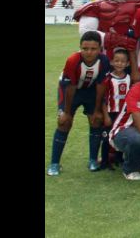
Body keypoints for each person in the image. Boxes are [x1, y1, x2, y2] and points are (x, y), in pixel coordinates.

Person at [47, 31, 111, 176]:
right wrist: (67, 113)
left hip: (91, 91)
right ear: (80, 47)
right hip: (70, 91)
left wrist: (96, 110)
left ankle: (93, 160)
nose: (89, 52)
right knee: (64, 122)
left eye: (93, 49)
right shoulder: (73, 60)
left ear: (100, 49)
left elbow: (101, 86)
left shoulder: (104, 61)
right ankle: (54, 163)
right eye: (85, 48)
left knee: (97, 120)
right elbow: (71, 87)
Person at [99, 48, 132, 170]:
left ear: (128, 63)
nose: (119, 64)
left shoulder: (129, 78)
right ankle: (104, 162)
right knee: (107, 138)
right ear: (112, 62)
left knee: (120, 136)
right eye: (117, 61)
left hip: (123, 114)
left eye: (123, 61)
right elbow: (103, 98)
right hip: (111, 113)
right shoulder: (108, 79)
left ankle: (119, 158)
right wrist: (106, 116)